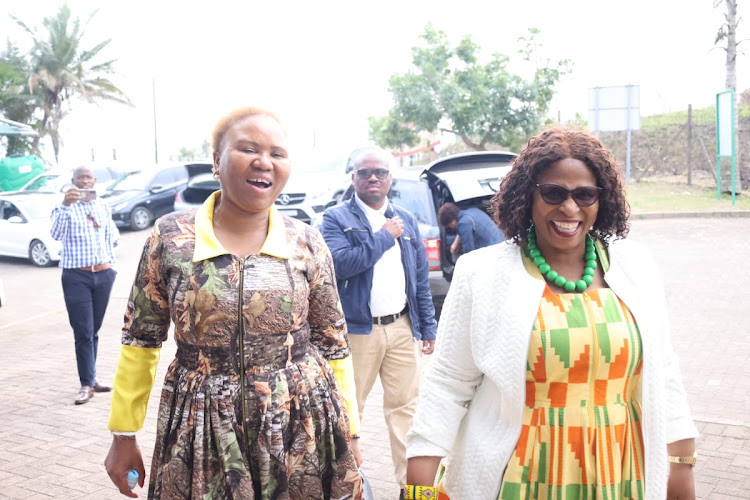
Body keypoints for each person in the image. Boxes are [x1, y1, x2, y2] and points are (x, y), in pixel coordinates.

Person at [404, 126, 698, 499]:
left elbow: (664, 369)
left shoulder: (636, 266)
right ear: (528, 196)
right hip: (522, 475)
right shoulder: (483, 273)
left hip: (622, 470)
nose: (570, 208)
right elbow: (448, 382)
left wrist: (682, 464)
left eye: (585, 194)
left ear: (601, 200)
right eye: (554, 193)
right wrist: (418, 486)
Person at [104, 106, 363, 499]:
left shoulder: (306, 241)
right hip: (202, 426)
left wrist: (351, 432)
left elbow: (333, 343)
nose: (264, 162)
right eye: (248, 149)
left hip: (298, 423)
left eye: (278, 153)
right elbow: (141, 338)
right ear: (216, 161)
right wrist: (124, 434)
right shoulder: (171, 238)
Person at [321, 146, 438, 492]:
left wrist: (427, 326)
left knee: (407, 411)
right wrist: (386, 236)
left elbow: (419, 278)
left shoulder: (407, 218)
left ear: (391, 177)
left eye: (381, 172)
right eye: (365, 172)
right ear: (353, 177)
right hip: (358, 331)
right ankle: (345, 485)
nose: (373, 178)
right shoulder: (336, 219)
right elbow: (340, 264)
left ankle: (410, 487)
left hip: (402, 327)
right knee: (347, 410)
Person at [50, 166, 118, 405]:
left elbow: (111, 236)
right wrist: (65, 204)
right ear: (73, 182)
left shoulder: (102, 205)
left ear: (94, 181)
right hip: (76, 277)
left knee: (93, 330)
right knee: (83, 332)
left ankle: (93, 377)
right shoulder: (65, 208)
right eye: (80, 178)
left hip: (103, 275)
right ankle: (86, 384)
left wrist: (112, 267)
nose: (85, 181)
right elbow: (56, 234)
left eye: (88, 178)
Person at [436, 202, 504, 256]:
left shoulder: (463, 224)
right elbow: (463, 226)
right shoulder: (473, 211)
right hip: (502, 245)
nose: (451, 227)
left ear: (452, 221)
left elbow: (468, 252)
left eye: (449, 225)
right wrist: (455, 243)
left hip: (494, 253)